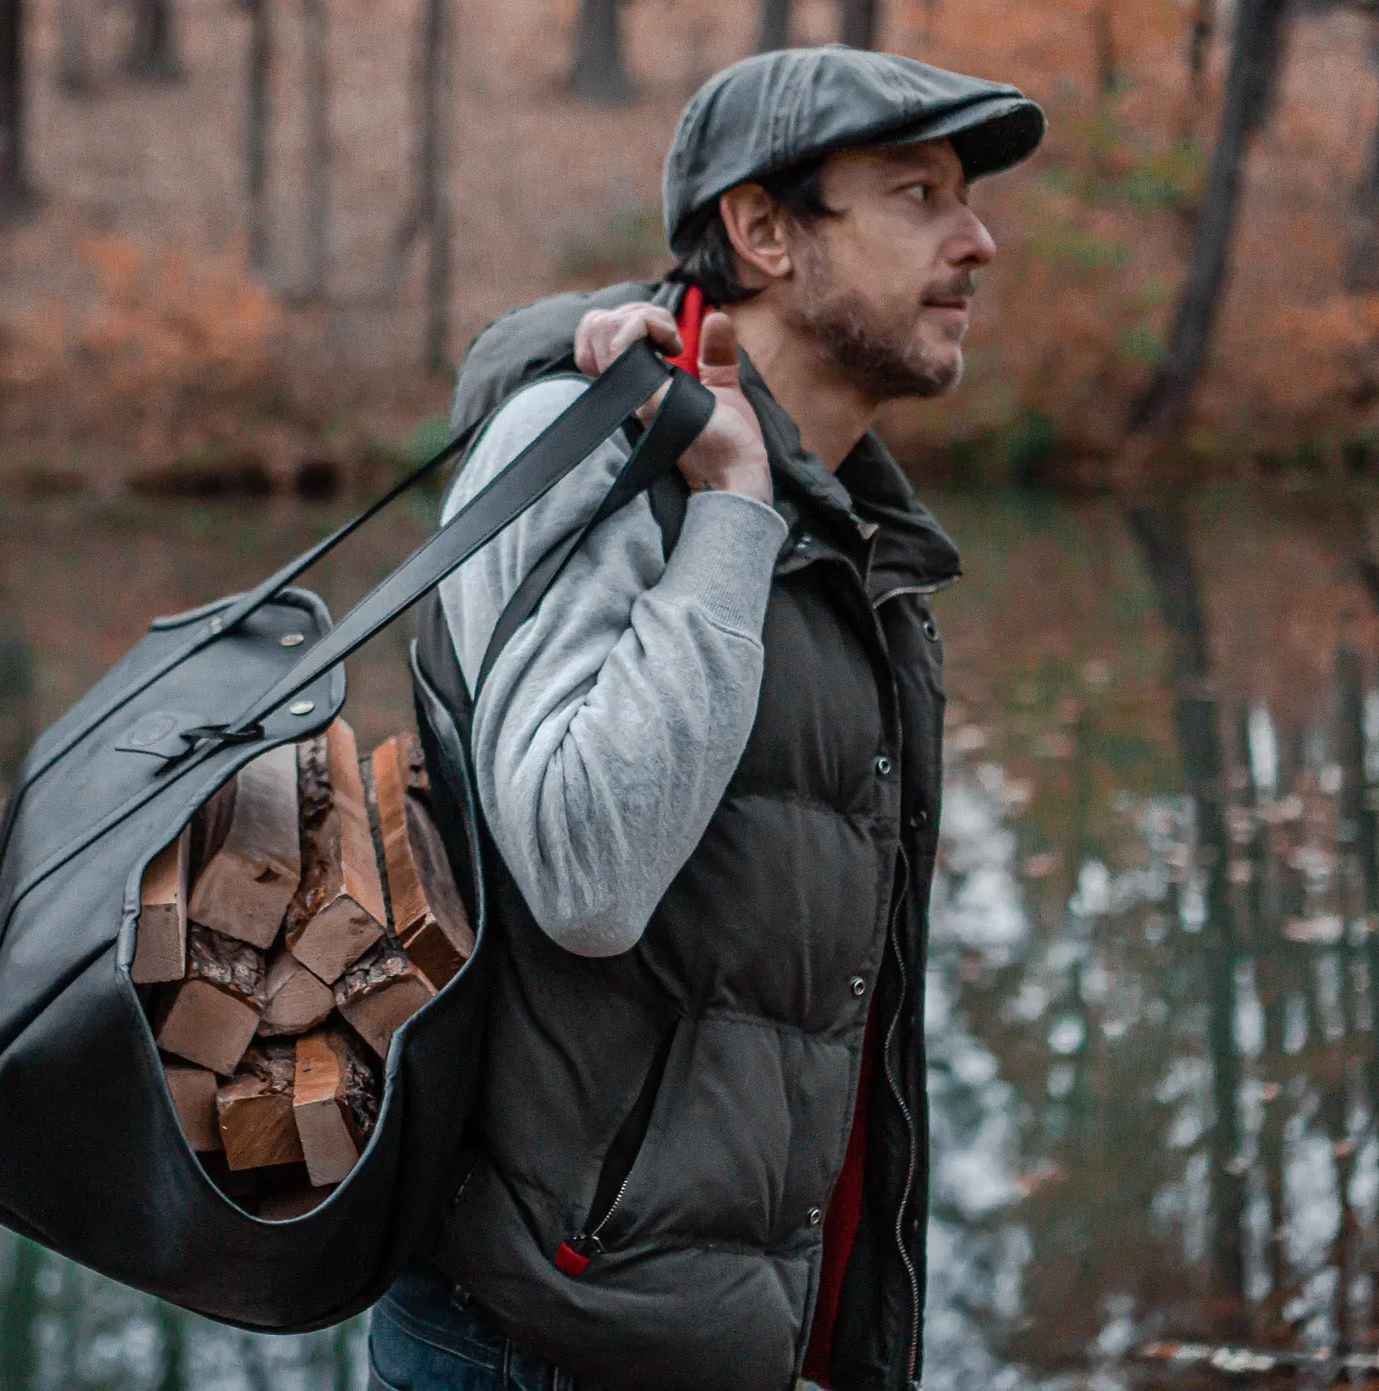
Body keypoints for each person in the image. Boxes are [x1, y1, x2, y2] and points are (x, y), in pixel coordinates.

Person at [383, 45, 1044, 1391]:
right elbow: (586, 870)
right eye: (917, 195)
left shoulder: (859, 536)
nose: (976, 241)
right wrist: (731, 508)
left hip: (728, 1335)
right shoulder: (584, 442)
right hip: (546, 1343)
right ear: (761, 230)